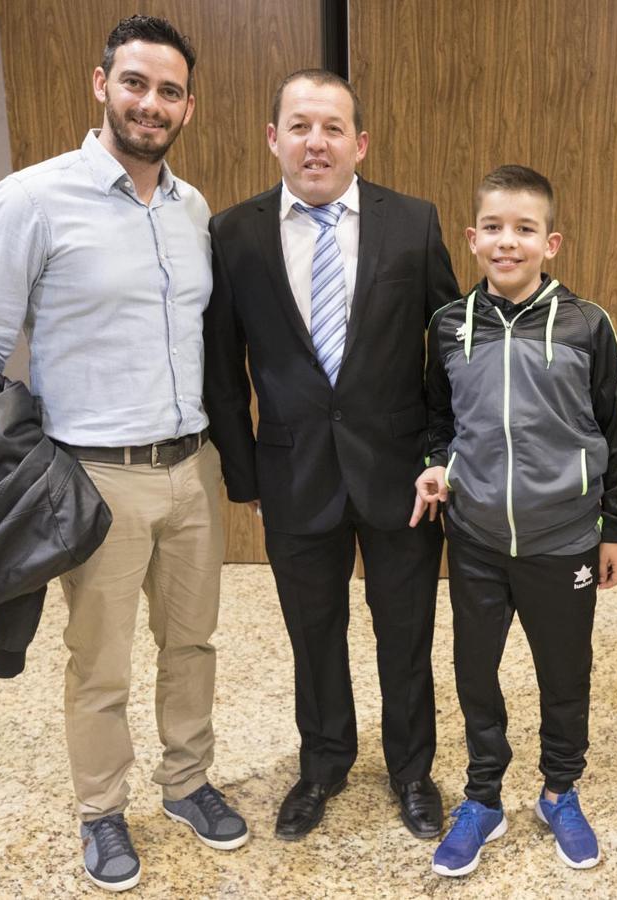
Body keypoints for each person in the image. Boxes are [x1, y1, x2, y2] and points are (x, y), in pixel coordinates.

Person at [0, 16, 245, 892]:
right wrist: (3, 469)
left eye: (171, 90)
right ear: (100, 85)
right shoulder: (31, 199)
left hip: (193, 469)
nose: (152, 103)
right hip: (93, 478)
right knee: (100, 663)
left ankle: (186, 784)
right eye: (137, 83)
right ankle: (101, 813)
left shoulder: (191, 210)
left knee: (193, 645)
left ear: (189, 104)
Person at [203, 70, 460, 842]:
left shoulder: (411, 223)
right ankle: (323, 765)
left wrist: (442, 454)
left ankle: (412, 770)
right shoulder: (234, 232)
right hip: (292, 474)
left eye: (334, 128)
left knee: (405, 630)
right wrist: (243, 473)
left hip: (400, 475)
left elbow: (448, 350)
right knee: (312, 633)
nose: (317, 141)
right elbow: (223, 365)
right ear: (274, 138)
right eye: (300, 126)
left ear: (360, 143)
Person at [409, 165, 617, 877]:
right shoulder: (449, 326)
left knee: (564, 674)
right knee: (476, 671)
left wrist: (615, 527)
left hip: (563, 538)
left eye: (526, 230)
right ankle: (483, 798)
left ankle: (560, 791)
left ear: (552, 242)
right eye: (495, 229)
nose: (509, 242)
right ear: (473, 239)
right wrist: (436, 463)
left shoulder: (588, 325)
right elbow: (437, 420)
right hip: (474, 537)